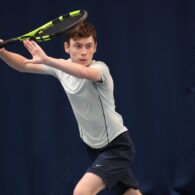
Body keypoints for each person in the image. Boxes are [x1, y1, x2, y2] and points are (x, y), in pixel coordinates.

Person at [0, 21, 142, 195]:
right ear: (66, 47)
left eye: (89, 46)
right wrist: (2, 52)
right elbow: (23, 65)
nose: (84, 52)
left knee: (82, 192)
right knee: (130, 193)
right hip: (93, 146)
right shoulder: (61, 68)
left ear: (95, 48)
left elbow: (84, 73)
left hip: (117, 145)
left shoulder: (100, 69)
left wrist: (47, 59)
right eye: (78, 46)